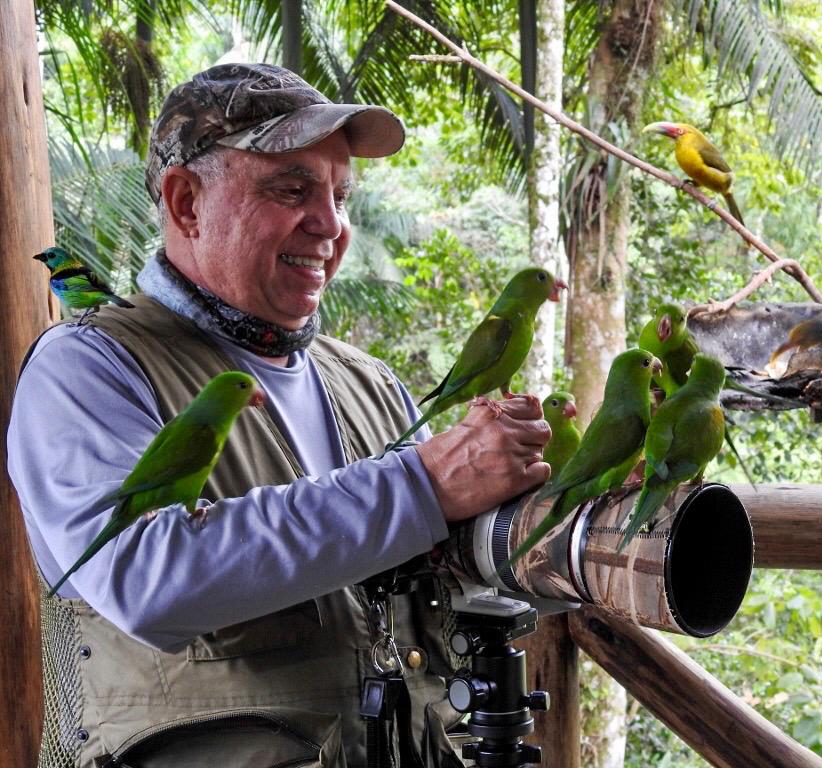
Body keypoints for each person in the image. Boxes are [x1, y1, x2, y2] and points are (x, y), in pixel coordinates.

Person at [8, 63, 552, 768]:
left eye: (341, 195)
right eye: (291, 190)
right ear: (186, 204)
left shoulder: (370, 384)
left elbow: (445, 571)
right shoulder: (88, 368)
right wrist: (423, 484)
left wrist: (556, 513)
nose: (330, 224)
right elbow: (143, 580)